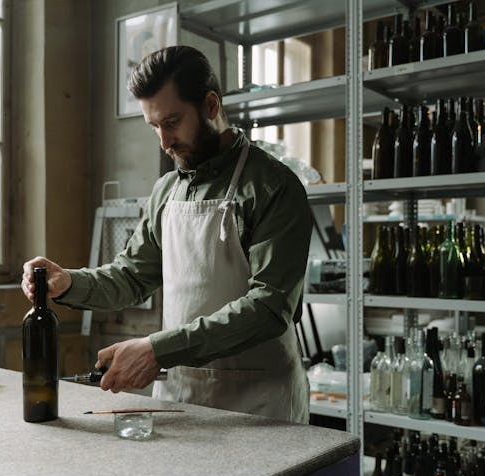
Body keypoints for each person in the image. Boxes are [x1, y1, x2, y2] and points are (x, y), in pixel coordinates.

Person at [21, 46, 312, 423]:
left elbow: (269, 309)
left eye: (172, 122)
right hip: (180, 398)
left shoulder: (273, 187)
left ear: (210, 106)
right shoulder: (166, 190)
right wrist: (68, 283)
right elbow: (132, 277)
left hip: (260, 403)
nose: (164, 141)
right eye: (154, 126)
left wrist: (157, 350)